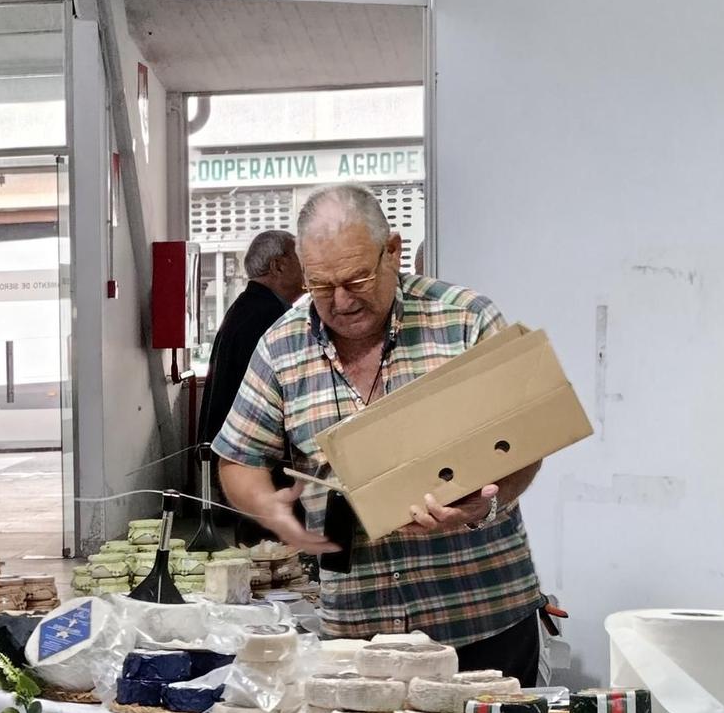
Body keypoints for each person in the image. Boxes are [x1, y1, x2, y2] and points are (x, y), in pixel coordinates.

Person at [212, 185, 547, 684]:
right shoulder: (282, 346)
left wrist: (484, 506)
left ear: (392, 251)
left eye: (357, 279)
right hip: (358, 637)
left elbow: (527, 438)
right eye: (321, 286)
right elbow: (238, 458)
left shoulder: (465, 321)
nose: (341, 302)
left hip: (481, 618)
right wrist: (271, 509)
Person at [199, 230, 304, 473]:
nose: (308, 264)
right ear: (278, 265)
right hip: (251, 461)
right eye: (301, 256)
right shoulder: (268, 317)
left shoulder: (248, 306)